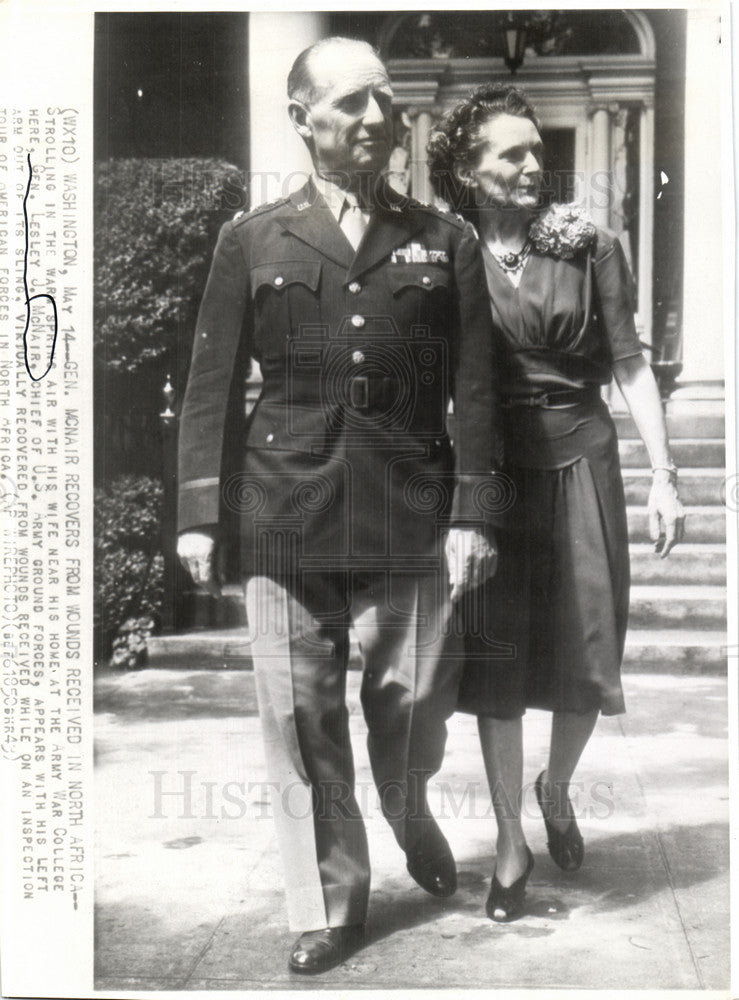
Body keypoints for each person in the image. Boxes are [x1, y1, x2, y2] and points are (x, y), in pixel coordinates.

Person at [177, 39, 503, 974]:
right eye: (353, 103)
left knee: (411, 703)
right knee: (297, 718)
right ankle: (325, 901)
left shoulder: (446, 241)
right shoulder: (253, 238)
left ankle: (407, 805)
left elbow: (475, 390)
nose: (376, 121)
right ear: (301, 119)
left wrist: (474, 512)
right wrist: (201, 509)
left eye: (386, 103)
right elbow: (209, 386)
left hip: (409, 509)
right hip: (282, 513)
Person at [427, 84, 685, 922]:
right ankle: (509, 843)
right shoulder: (446, 251)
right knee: (495, 664)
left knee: (586, 650)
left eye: (537, 149)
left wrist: (663, 476)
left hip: (581, 459)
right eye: (511, 152)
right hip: (490, 475)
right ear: (468, 169)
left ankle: (556, 786)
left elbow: (631, 364)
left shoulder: (588, 244)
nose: (533, 164)